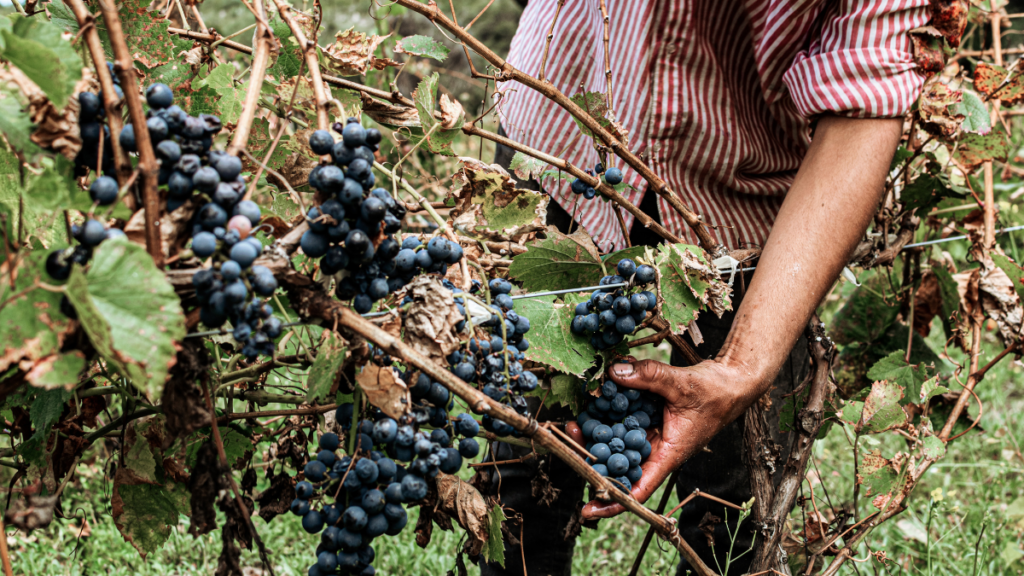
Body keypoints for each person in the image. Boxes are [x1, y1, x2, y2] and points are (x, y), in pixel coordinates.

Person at [480, 0, 932, 574]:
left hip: (751, 201)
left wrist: (744, 365)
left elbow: (865, 100)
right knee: (526, 457)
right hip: (562, 145)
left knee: (733, 504)